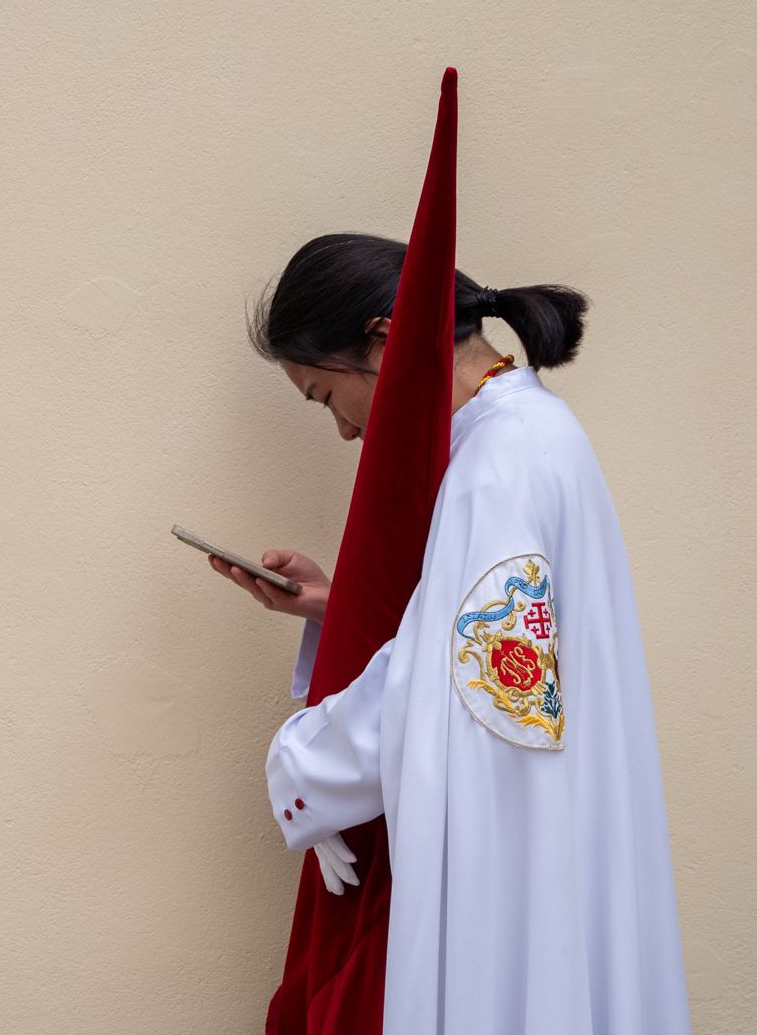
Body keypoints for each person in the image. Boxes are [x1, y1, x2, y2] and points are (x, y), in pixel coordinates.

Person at [208, 231, 693, 1032]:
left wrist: (303, 762)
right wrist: (336, 607)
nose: (343, 431)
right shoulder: (530, 432)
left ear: (383, 338)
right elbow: (493, 640)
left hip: (511, 845)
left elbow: (474, 681)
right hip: (549, 820)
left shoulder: (495, 463)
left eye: (324, 396)